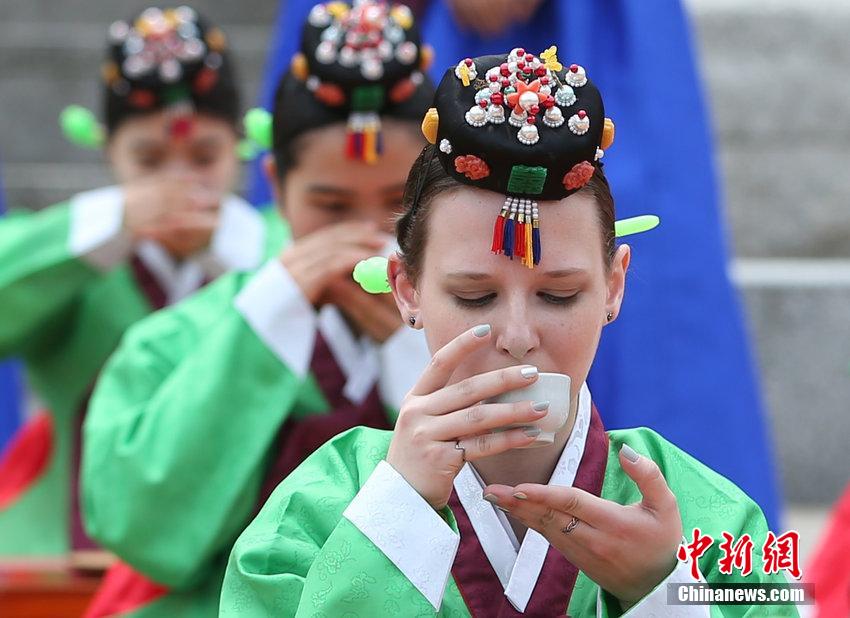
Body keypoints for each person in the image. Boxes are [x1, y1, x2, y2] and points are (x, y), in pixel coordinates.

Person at [221, 48, 799, 616]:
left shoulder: (713, 521)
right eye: (475, 297)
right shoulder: (316, 507)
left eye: (559, 294)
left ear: (615, 286)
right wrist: (398, 513)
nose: (517, 335)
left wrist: (658, 592)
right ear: (406, 289)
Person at [81, 3, 434, 616]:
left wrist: (418, 349)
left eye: (396, 206)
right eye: (329, 205)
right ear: (275, 183)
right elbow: (142, 528)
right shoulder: (175, 338)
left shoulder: (489, 325)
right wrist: (266, 322)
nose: (364, 234)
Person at [0, 5, 280, 559]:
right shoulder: (73, 253)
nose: (180, 180)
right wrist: (111, 220)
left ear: (241, 149)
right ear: (108, 152)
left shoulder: (278, 246)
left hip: (243, 556)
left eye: (205, 156)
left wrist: (228, 249)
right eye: (149, 159)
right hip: (73, 556)